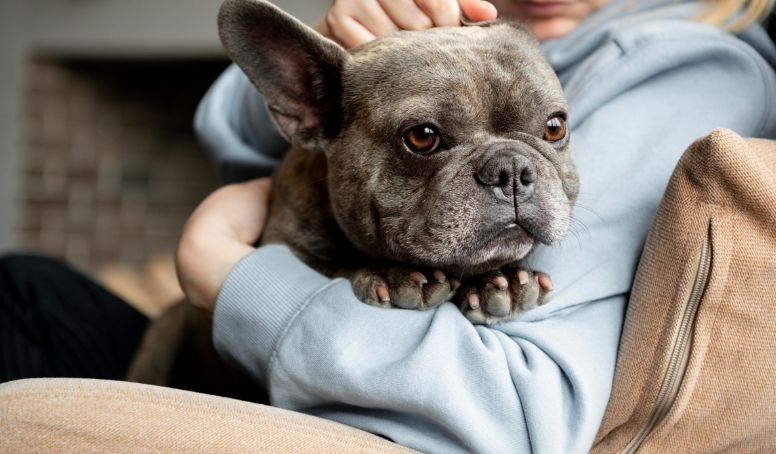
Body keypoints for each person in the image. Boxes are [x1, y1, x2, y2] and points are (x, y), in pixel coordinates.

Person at [1, 0, 774, 452]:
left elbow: (521, 417)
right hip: (222, 345)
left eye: (550, 132)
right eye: (427, 138)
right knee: (27, 284)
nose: (513, 176)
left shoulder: (672, 70)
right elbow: (242, 141)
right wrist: (333, 58)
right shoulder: (483, 31)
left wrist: (226, 273)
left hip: (284, 352)